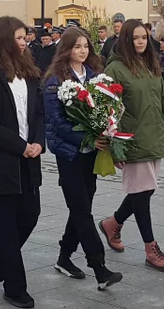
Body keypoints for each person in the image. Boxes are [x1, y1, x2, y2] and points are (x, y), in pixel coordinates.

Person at [42, 27, 123, 289]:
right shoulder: (55, 80)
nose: (82, 50)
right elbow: (56, 122)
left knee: (81, 207)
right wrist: (86, 138)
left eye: (85, 46)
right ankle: (99, 268)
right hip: (69, 154)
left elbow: (106, 108)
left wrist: (106, 129)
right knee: (82, 211)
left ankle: (64, 256)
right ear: (66, 49)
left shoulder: (94, 76)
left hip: (92, 154)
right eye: (77, 46)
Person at [0, 16, 45, 309]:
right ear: (4, 40)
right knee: (7, 225)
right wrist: (20, 147)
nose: (24, 42)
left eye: (25, 37)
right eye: (18, 38)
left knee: (30, 214)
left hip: (30, 157)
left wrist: (38, 142)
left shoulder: (29, 72)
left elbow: (38, 112)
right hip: (1, 160)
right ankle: (15, 287)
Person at [99, 19, 164, 272]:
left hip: (153, 137)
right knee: (142, 195)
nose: (141, 41)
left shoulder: (150, 64)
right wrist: (115, 146)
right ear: (126, 40)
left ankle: (113, 223)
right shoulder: (116, 69)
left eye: (144, 37)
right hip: (131, 139)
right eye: (135, 38)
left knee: (145, 191)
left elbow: (163, 101)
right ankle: (150, 248)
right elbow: (107, 110)